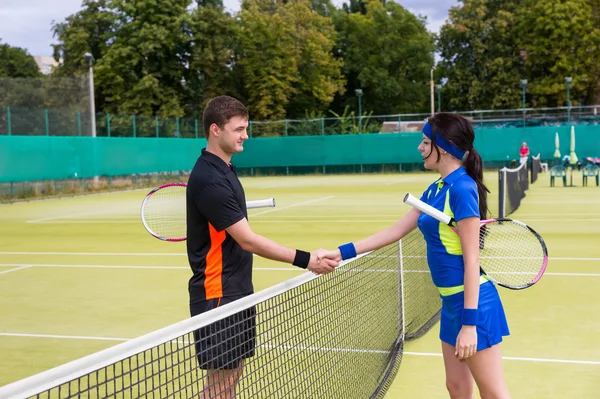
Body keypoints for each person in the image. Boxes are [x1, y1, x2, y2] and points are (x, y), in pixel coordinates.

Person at [318, 113, 511, 399]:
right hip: (450, 303)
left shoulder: (462, 189)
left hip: (474, 305)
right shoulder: (436, 188)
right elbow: (395, 231)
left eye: (424, 142)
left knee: (493, 393)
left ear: (442, 147)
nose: (420, 148)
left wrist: (469, 325)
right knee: (456, 388)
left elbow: (472, 260)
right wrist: (339, 253)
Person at [186, 95, 338, 398]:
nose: (246, 135)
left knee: (231, 378)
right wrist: (307, 259)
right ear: (215, 129)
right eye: (239, 129)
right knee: (221, 384)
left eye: (246, 128)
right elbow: (248, 239)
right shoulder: (209, 179)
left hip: (238, 289)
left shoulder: (225, 169)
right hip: (218, 293)